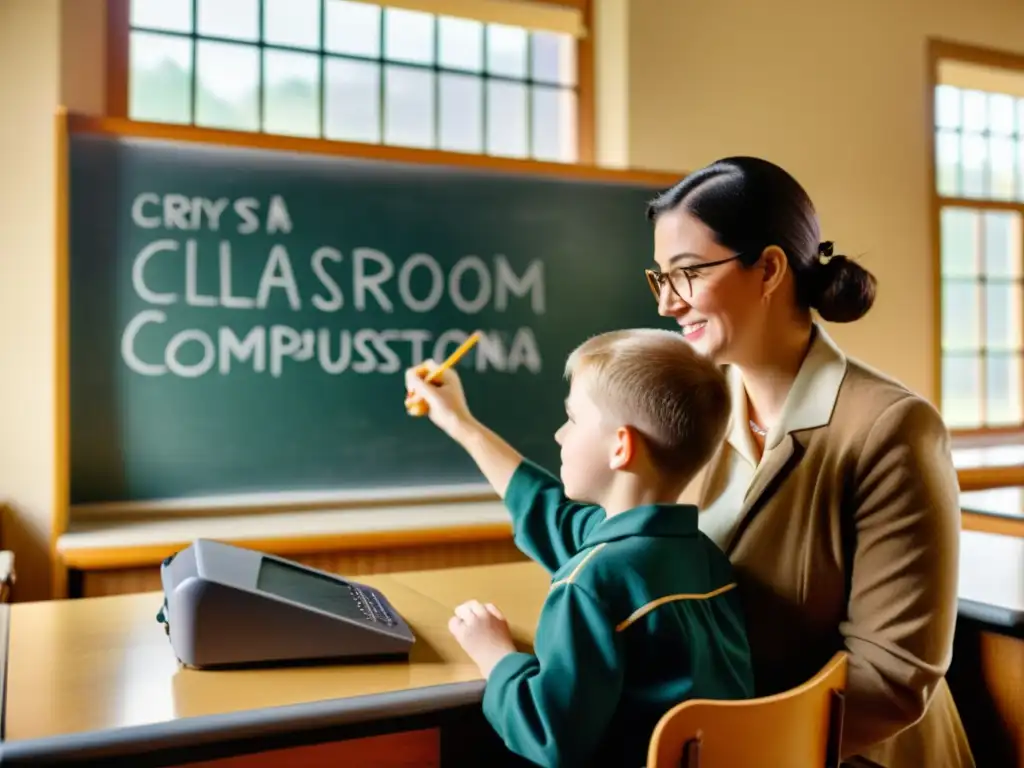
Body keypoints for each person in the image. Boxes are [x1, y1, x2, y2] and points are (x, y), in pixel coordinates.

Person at [644, 156, 973, 767]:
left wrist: (714, 745)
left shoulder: (892, 428)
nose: (668, 303)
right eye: (660, 278)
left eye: (687, 274)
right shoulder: (696, 416)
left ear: (768, 269)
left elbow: (892, 681)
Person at [404, 329, 755, 768]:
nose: (558, 435)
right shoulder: (701, 556)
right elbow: (549, 513)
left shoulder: (588, 584)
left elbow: (548, 736)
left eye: (572, 419)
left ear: (620, 447)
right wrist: (462, 423)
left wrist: (495, 655)